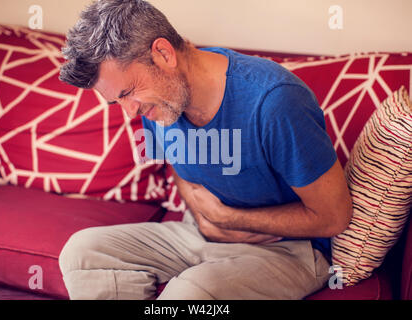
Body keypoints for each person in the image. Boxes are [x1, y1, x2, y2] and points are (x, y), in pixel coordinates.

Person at [58, 0, 353, 300]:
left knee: (188, 296)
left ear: (163, 54)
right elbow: (180, 169)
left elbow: (334, 216)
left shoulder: (274, 101)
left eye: (127, 93)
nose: (129, 111)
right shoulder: (158, 104)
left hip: (288, 250)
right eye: (116, 101)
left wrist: (228, 219)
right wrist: (204, 217)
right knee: (81, 255)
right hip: (200, 231)